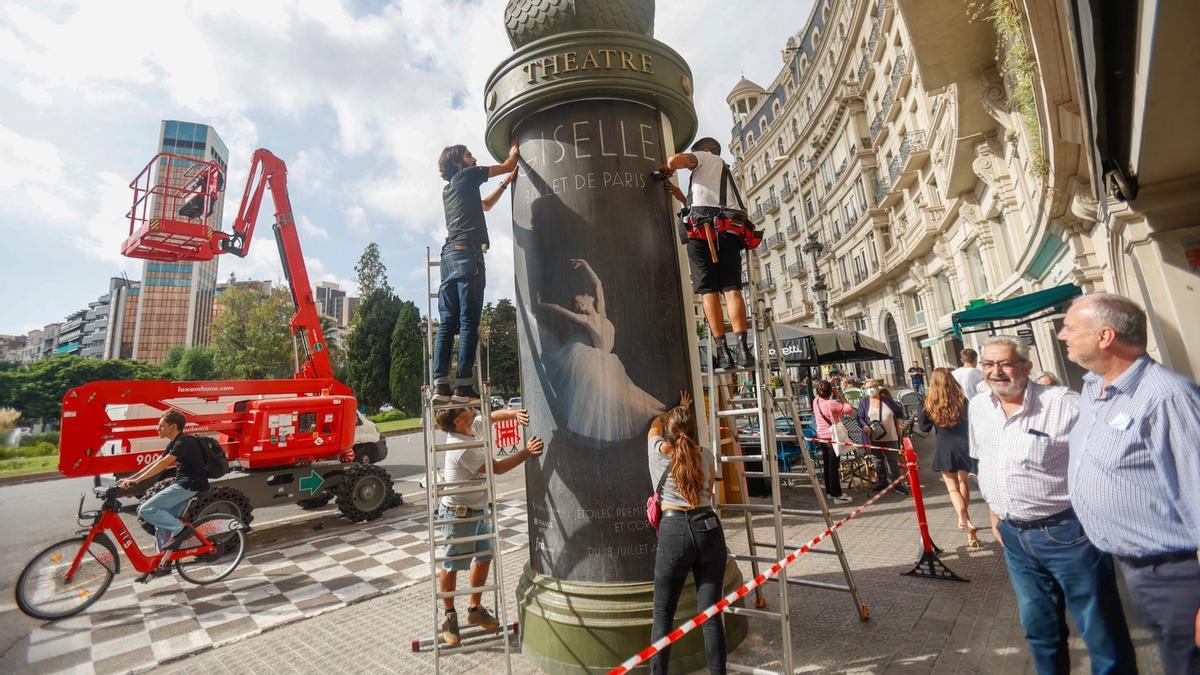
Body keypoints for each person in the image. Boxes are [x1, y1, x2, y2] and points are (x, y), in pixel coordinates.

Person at [968, 335, 1136, 674]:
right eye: (988, 364)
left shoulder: (1064, 403)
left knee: (1100, 630)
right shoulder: (978, 406)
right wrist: (994, 511)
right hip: (1014, 539)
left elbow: (1121, 443)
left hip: (1068, 534)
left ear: (1027, 367)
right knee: (1039, 630)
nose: (996, 372)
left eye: (1006, 363)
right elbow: (983, 460)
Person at [1058, 293, 1200, 673]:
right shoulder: (1093, 388)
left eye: (1070, 327)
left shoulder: (1167, 397)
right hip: (1134, 568)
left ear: (1105, 337)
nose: (1061, 335)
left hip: (1179, 575)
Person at [435, 403, 543, 646]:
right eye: (463, 409)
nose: (469, 408)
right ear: (457, 422)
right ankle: (449, 615)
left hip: (478, 509)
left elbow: (492, 417)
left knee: (484, 557)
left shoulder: (470, 426)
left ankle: (474, 608)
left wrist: (514, 414)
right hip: (458, 514)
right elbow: (499, 467)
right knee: (452, 563)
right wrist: (526, 452)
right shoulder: (463, 448)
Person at [535, 258, 665, 443]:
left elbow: (598, 284)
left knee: (630, 396)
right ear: (582, 306)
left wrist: (586, 265)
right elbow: (562, 310)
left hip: (609, 362)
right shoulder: (587, 320)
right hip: (599, 364)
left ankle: (662, 415)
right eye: (583, 296)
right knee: (622, 399)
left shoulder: (601, 314)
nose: (587, 294)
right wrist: (542, 305)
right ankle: (663, 416)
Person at [431, 141, 520, 404]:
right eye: (469, 155)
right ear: (459, 161)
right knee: (469, 322)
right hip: (468, 255)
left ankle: (440, 387)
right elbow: (508, 163)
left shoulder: (450, 190)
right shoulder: (468, 175)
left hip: (448, 258)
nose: (474, 158)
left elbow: (486, 206)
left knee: (447, 323)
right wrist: (513, 144)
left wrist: (505, 183)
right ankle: (463, 388)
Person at [648, 391, 727, 674]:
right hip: (709, 527)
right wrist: (683, 411)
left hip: (674, 531)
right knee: (712, 615)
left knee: (662, 617)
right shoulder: (705, 455)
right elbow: (712, 490)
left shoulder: (658, 453)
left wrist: (672, 411)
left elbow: (654, 428)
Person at [662, 137, 754, 372]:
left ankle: (723, 353)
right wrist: (683, 198)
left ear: (707, 149)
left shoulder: (706, 157)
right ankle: (743, 350)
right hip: (728, 230)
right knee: (732, 288)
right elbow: (711, 201)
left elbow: (676, 160)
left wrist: (669, 167)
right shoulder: (727, 174)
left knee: (708, 291)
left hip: (701, 233)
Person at [118, 410, 210, 579]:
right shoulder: (175, 442)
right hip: (184, 484)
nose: (157, 428)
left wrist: (136, 482)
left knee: (145, 510)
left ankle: (181, 530)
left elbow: (164, 464)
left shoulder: (184, 442)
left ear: (173, 426)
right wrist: (131, 478)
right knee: (163, 523)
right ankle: (162, 565)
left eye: (161, 425)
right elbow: (157, 462)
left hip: (188, 485)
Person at [918, 368, 978, 548]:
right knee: (963, 483)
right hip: (963, 445)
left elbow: (924, 427)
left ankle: (965, 519)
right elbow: (972, 422)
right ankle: (965, 522)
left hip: (944, 446)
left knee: (952, 487)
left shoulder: (930, 402)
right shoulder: (962, 399)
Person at [857, 379, 908, 495]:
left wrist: (899, 422)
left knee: (893, 462)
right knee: (877, 462)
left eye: (872, 386)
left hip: (891, 435)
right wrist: (865, 426)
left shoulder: (887, 400)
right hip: (874, 437)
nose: (870, 389)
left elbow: (899, 412)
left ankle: (897, 484)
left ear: (877, 387)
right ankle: (882, 482)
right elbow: (859, 417)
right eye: (867, 387)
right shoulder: (864, 402)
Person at [812, 380, 855, 504]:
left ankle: (830, 491)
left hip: (821, 437)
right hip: (832, 437)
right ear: (830, 391)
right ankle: (837, 495)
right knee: (833, 467)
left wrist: (827, 385)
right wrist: (840, 395)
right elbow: (848, 410)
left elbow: (820, 393)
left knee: (827, 465)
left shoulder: (816, 401)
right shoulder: (831, 403)